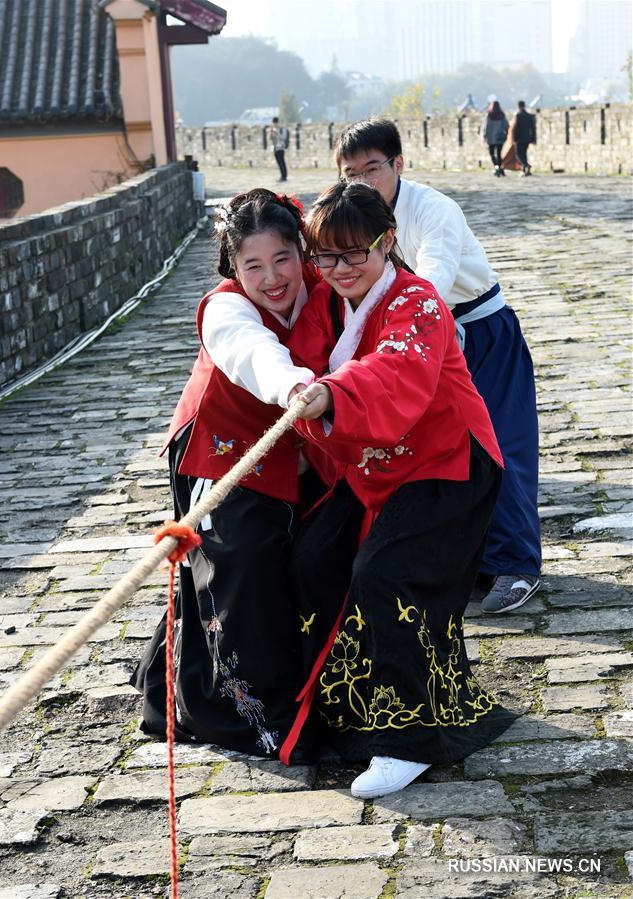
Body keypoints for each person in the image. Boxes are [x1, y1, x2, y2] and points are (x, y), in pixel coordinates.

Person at [277, 181, 517, 798]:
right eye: (325, 257)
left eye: (354, 253)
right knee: (312, 558)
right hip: (375, 466)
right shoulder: (328, 305)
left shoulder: (420, 303)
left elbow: (394, 369)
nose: (339, 269)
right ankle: (346, 708)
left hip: (446, 463)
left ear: (388, 243)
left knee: (387, 575)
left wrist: (334, 393)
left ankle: (405, 737)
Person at [132, 189, 320, 760]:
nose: (272, 278)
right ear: (233, 268)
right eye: (252, 265)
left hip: (287, 440)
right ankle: (243, 711)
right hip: (216, 446)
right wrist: (293, 387)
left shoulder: (324, 284)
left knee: (241, 566)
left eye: (283, 259)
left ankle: (162, 683)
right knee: (237, 564)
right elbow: (252, 353)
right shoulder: (224, 309)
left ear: (301, 251)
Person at [332, 118, 541, 615]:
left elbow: (435, 276)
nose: (363, 182)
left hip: (474, 328)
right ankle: (469, 560)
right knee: (440, 451)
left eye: (373, 168)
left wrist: (405, 330)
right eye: (350, 174)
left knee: (499, 442)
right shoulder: (354, 214)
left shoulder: (433, 210)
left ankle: (516, 564)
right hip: (407, 337)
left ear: (398, 164)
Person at [483, 99, 509, 176]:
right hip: (500, 138)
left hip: (491, 138)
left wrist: (485, 135)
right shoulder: (502, 115)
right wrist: (504, 133)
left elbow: (486, 126)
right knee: (498, 153)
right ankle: (500, 168)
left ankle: (496, 167)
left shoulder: (489, 115)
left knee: (492, 154)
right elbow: (507, 125)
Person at [512, 100, 536, 177]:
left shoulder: (518, 116)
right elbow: (533, 128)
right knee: (524, 153)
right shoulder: (530, 116)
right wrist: (533, 139)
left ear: (518, 106)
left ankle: (525, 165)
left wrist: (514, 139)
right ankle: (525, 170)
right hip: (527, 138)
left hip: (519, 138)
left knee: (518, 154)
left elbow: (516, 129)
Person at [270, 116, 289, 182]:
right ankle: (282, 176)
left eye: (276, 123)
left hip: (281, 147)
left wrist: (277, 133)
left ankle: (284, 176)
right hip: (275, 148)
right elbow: (272, 139)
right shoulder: (273, 129)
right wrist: (272, 134)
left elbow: (284, 137)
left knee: (282, 162)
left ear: (278, 122)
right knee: (279, 163)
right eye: (274, 123)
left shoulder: (282, 129)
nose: (275, 124)